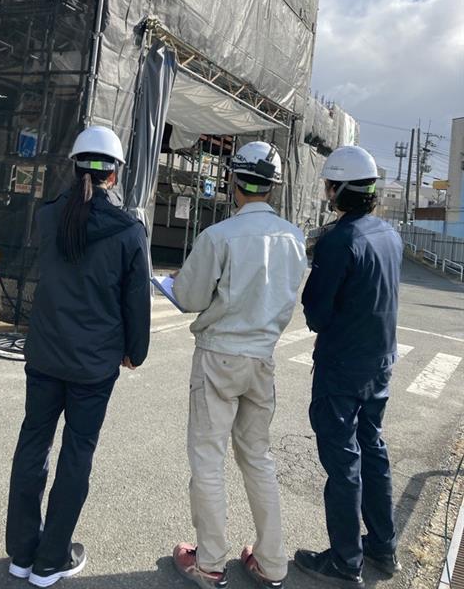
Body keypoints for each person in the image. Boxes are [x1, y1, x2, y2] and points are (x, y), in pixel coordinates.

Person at [6, 125, 151, 587]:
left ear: (74, 166)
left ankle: (22, 552)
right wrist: (135, 351)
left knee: (33, 444)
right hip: (94, 363)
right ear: (115, 173)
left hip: (45, 354)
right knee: (76, 453)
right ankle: (51, 559)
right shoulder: (128, 230)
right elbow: (136, 301)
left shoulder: (49, 216)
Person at [171, 141, 308, 589]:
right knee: (257, 458)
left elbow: (189, 297)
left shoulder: (219, 236)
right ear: (273, 187)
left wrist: (175, 284)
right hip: (262, 357)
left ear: (234, 181)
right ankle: (272, 563)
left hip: (219, 354)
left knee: (208, 458)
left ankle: (210, 562)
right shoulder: (293, 238)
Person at [294, 145, 403, 587]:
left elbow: (317, 313)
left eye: (328, 185)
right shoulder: (389, 234)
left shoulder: (339, 240)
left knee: (343, 462)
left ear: (338, 190)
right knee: (372, 450)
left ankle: (345, 560)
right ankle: (383, 545)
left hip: (342, 365)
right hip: (380, 361)